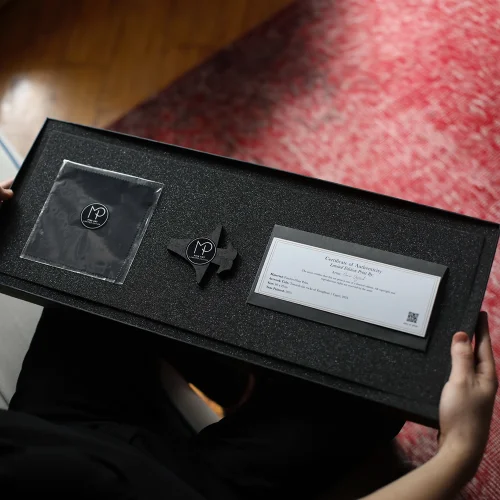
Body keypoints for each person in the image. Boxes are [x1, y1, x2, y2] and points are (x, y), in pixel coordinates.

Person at [0, 178, 497, 499]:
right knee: (378, 386)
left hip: (44, 434)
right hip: (187, 489)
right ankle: (246, 390)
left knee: (109, 207)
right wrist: (459, 453)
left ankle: (236, 383)